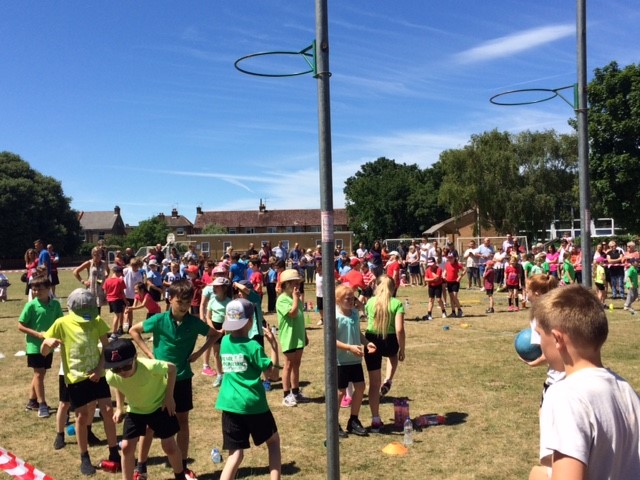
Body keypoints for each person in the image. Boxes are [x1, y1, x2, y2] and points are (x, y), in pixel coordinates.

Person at [529, 284, 640, 480]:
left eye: (539, 335)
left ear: (557, 339)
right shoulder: (626, 390)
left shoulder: (565, 395)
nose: (538, 343)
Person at [129, 280, 220, 480]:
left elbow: (214, 335)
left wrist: (198, 353)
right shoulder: (159, 320)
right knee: (151, 425)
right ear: (170, 299)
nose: (184, 306)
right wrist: (148, 354)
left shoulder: (194, 322)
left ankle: (183, 464)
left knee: (183, 421)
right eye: (180, 302)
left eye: (187, 302)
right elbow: (133, 331)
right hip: (159, 379)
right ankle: (141, 466)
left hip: (182, 378)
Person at [41, 289, 120, 476]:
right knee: (82, 416)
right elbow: (43, 351)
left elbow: (106, 348)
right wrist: (47, 344)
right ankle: (84, 457)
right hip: (76, 378)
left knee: (108, 412)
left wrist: (99, 369)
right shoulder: (61, 323)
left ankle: (113, 451)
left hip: (98, 375)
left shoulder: (97, 320)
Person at [216, 299, 282, 480]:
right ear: (250, 321)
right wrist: (274, 347)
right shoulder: (254, 346)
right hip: (254, 404)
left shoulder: (225, 342)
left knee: (235, 454)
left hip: (229, 404)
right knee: (273, 442)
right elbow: (273, 375)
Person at [104, 339, 187, 480]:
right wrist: (119, 407)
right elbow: (120, 386)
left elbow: (172, 369)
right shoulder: (112, 376)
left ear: (135, 357)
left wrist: (169, 397)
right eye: (116, 368)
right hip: (136, 410)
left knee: (169, 446)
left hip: (159, 407)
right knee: (126, 447)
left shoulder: (150, 366)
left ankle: (180, 476)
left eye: (126, 366)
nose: (122, 372)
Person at [363, 275, 405, 432]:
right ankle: (388, 379)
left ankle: (375, 418)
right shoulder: (396, 303)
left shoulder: (370, 302)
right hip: (390, 339)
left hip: (371, 340)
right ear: (393, 288)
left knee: (373, 384)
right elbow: (399, 329)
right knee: (392, 356)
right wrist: (403, 349)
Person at [18, 276, 64, 417]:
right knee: (39, 373)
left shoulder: (55, 305)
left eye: (40, 289)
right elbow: (20, 325)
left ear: (49, 289)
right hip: (34, 346)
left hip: (48, 346)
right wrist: (38, 335)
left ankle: (32, 401)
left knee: (41, 373)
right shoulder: (31, 305)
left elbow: (60, 323)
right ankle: (42, 404)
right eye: (34, 289)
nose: (36, 292)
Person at [335, 285, 375, 437]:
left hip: (355, 360)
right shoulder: (336, 317)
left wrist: (366, 343)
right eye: (347, 299)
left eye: (353, 298)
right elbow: (331, 340)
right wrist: (349, 347)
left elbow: (357, 333)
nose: (351, 301)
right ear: (338, 300)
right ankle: (334, 423)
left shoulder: (354, 314)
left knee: (360, 387)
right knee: (340, 393)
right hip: (340, 361)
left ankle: (353, 420)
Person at [277, 269, 308, 407]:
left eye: (298, 282)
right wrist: (296, 299)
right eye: (294, 283)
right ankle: (286, 394)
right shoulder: (282, 299)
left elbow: (301, 318)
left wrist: (305, 334)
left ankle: (295, 392)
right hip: (288, 337)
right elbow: (293, 314)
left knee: (297, 364)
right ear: (287, 284)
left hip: (298, 336)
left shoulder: (296, 297)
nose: (297, 285)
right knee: (288, 365)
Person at [206, 277, 232, 388]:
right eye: (214, 287)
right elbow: (208, 317)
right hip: (214, 328)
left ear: (224, 288)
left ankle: (229, 375)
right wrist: (213, 330)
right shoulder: (211, 301)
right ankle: (220, 374)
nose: (214, 289)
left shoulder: (230, 302)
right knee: (216, 354)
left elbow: (231, 317)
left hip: (227, 329)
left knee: (227, 353)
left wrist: (224, 329)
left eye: (217, 287)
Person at [73, 246, 109, 312]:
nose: (97, 256)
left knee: (98, 311)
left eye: (99, 254)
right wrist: (83, 281)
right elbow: (75, 272)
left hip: (100, 291)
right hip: (91, 290)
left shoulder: (104, 263)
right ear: (92, 254)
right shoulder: (89, 263)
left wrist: (105, 277)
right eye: (95, 254)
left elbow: (108, 270)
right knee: (90, 310)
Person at [104, 265, 128, 338]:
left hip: (110, 299)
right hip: (117, 299)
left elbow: (105, 291)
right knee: (117, 316)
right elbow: (122, 293)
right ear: (119, 272)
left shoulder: (107, 280)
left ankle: (116, 331)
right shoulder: (120, 280)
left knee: (117, 315)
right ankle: (114, 332)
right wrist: (126, 301)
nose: (121, 275)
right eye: (121, 273)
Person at [444, 252, 465, 318]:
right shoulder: (447, 264)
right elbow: (445, 271)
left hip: (455, 282)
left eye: (451, 258)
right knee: (451, 297)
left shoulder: (457, 264)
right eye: (448, 258)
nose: (450, 259)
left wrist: (460, 277)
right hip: (449, 282)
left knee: (454, 297)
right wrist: (443, 275)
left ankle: (459, 310)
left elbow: (464, 270)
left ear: (454, 258)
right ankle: (453, 312)